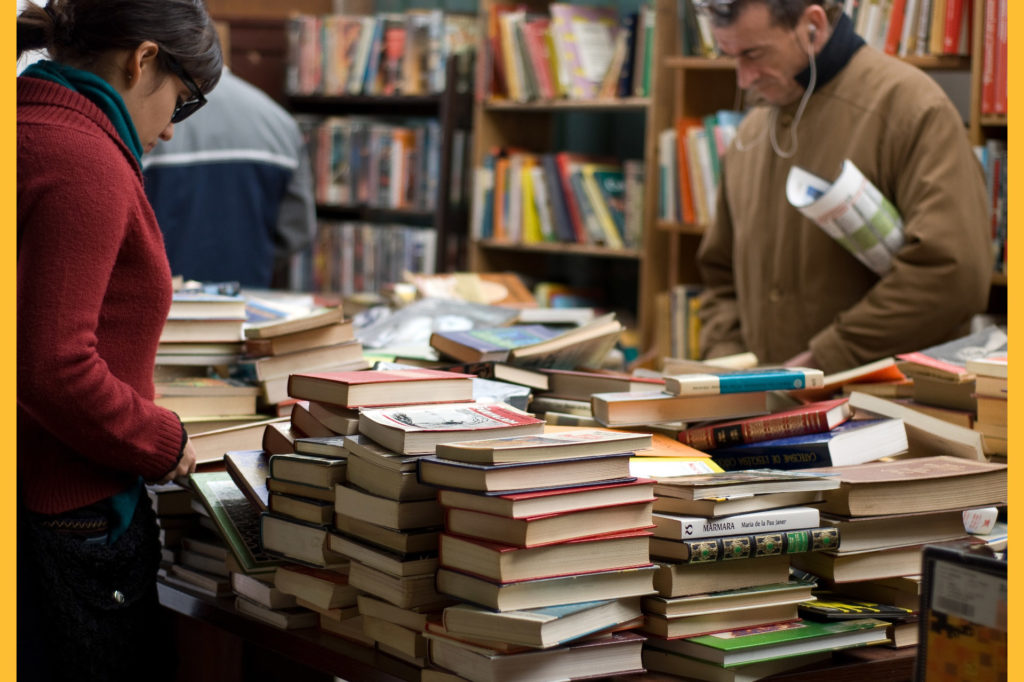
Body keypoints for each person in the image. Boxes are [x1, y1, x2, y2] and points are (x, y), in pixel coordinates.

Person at [16, 0, 221, 679]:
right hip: (63, 512)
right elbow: (51, 365)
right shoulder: (81, 158)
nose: (171, 128)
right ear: (143, 60)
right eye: (183, 101)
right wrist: (163, 441)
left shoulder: (27, 126)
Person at [695, 0, 992, 374]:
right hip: (761, 399)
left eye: (754, 54)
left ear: (813, 25)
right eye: (731, 56)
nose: (743, 79)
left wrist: (829, 356)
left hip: (883, 399)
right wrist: (726, 367)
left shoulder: (911, 109)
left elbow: (952, 275)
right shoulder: (751, 132)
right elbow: (721, 278)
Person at [143, 68, 317, 289]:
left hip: (164, 297)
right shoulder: (279, 123)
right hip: (246, 296)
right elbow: (297, 231)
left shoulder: (149, 121)